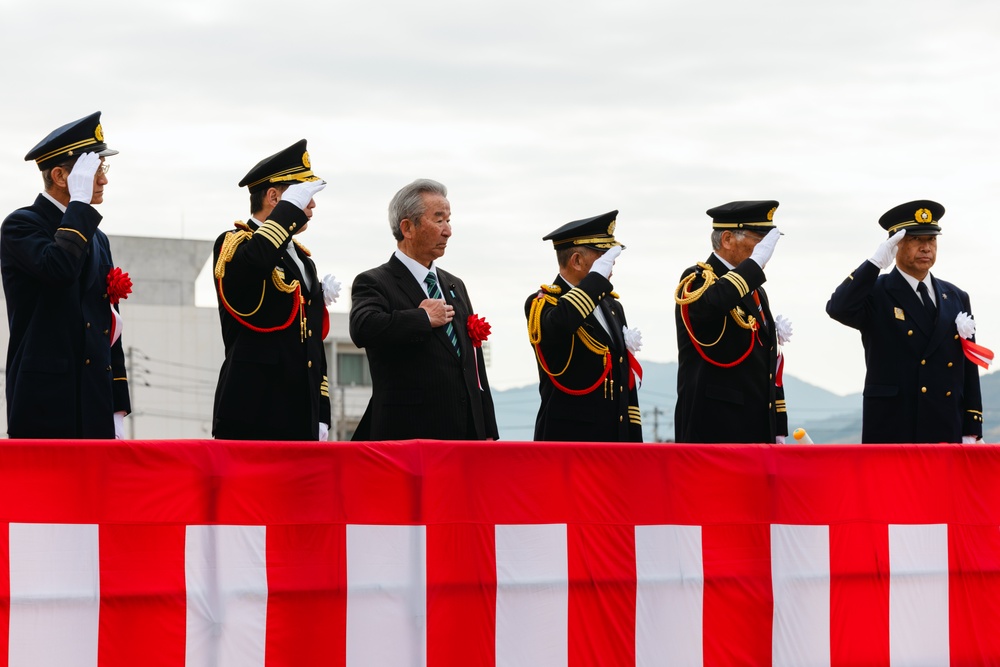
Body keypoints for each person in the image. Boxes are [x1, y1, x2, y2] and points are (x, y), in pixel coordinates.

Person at [1, 111, 130, 438]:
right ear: (60, 176)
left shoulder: (97, 237)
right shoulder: (21, 225)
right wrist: (81, 206)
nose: (102, 180)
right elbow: (58, 269)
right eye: (93, 172)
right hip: (46, 403)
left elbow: (108, 326)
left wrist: (117, 404)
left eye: (102, 170)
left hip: (95, 404)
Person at [349, 178, 498, 440]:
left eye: (449, 220)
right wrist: (422, 318)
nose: (448, 230)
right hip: (408, 433)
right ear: (407, 227)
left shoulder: (454, 285)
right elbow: (363, 328)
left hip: (465, 434)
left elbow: (473, 365)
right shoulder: (374, 281)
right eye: (439, 220)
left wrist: (487, 428)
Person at [826, 200, 984, 443]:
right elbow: (838, 308)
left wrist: (972, 428)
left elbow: (968, 365)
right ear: (895, 244)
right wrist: (874, 265)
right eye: (916, 240)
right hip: (895, 428)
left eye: (931, 240)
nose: (926, 248)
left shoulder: (955, 297)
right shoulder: (876, 292)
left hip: (946, 427)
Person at [212, 139, 333, 440]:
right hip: (253, 411)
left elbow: (313, 343)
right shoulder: (234, 243)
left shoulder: (303, 259)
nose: (312, 204)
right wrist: (288, 212)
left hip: (300, 414)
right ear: (274, 197)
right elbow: (252, 266)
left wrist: (322, 410)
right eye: (303, 195)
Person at [673, 200, 788, 443]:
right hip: (716, 426)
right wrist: (754, 266)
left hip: (755, 426)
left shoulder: (754, 289)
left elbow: (768, 363)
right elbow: (709, 307)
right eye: (758, 241)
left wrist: (777, 425)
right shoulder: (697, 279)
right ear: (727, 239)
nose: (764, 250)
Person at [525, 211, 642, 441]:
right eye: (602, 256)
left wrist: (633, 439)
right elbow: (560, 325)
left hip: (614, 440)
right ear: (577, 260)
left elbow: (623, 378)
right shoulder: (543, 304)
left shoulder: (612, 306)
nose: (612, 263)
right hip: (569, 440)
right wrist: (595, 281)